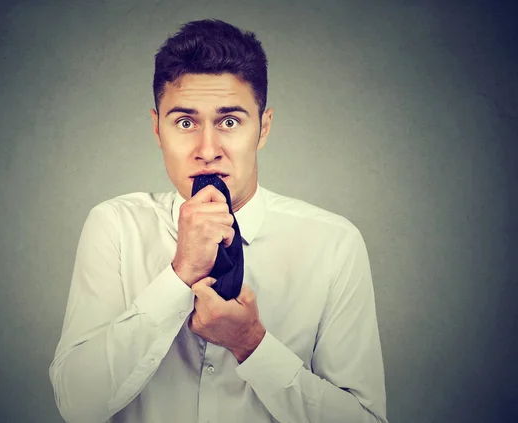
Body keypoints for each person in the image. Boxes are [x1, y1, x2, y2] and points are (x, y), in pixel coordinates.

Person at [49, 18, 388, 423]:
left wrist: (253, 346)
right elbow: (76, 406)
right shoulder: (115, 228)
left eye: (230, 121)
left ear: (262, 128)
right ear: (158, 129)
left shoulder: (334, 244)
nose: (207, 150)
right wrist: (179, 275)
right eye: (185, 122)